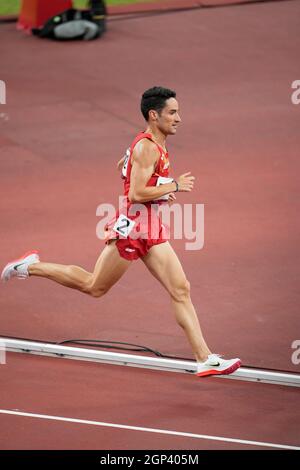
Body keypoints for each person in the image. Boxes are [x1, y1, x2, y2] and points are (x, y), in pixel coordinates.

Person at [1, 86, 241, 377]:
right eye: (173, 112)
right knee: (94, 286)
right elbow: (137, 193)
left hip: (149, 225)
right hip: (133, 227)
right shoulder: (146, 147)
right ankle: (32, 266)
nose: (179, 118)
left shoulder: (154, 143)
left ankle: (204, 358)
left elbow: (125, 171)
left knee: (181, 289)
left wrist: (162, 191)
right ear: (154, 115)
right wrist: (173, 186)